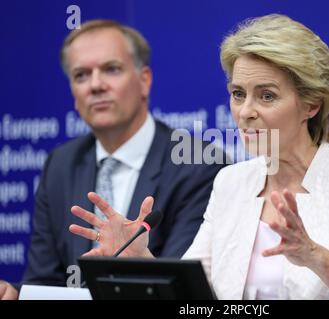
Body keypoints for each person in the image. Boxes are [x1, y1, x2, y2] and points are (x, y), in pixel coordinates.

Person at [67, 14, 329, 299]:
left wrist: (312, 255)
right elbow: (195, 298)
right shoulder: (231, 181)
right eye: (238, 94)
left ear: (311, 104)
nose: (245, 112)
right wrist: (142, 259)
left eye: (267, 96)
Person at [0, 20, 226, 299]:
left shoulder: (198, 164)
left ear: (144, 80)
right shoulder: (60, 164)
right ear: (72, 91)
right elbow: (45, 280)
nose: (95, 85)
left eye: (111, 69)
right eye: (81, 75)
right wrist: (16, 294)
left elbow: (182, 286)